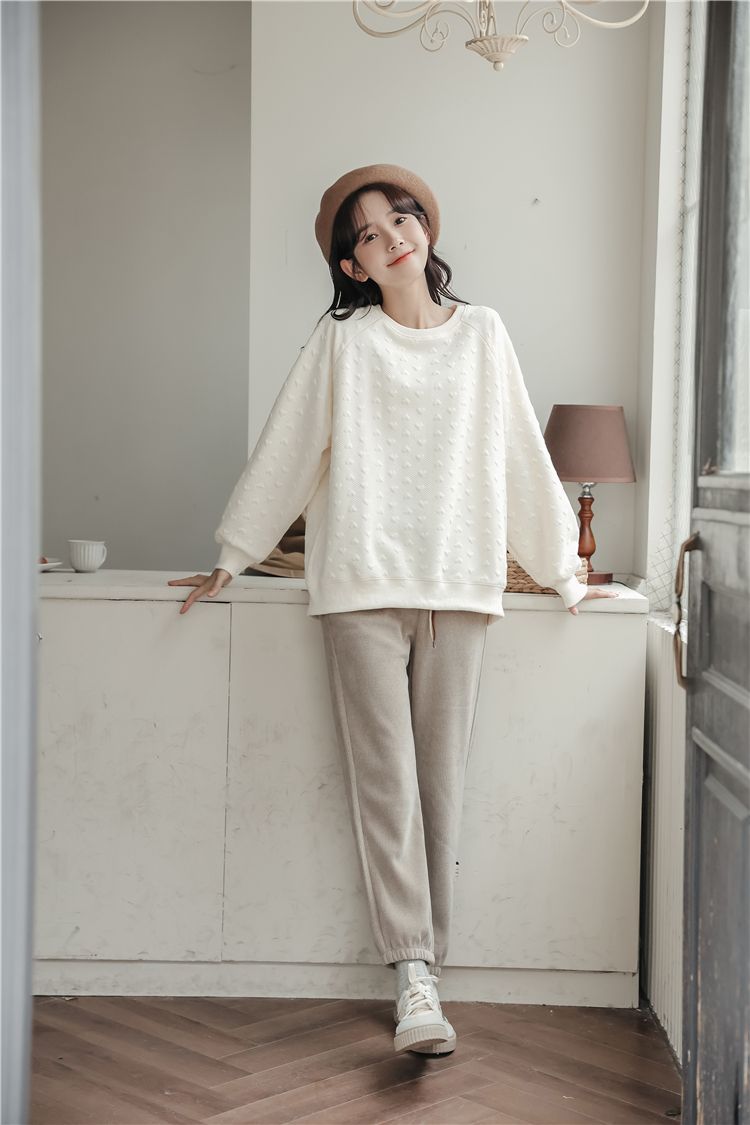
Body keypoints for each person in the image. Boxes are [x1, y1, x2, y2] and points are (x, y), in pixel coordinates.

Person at [168, 163, 619, 1057]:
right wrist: (232, 554)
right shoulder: (344, 342)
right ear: (354, 266)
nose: (392, 237)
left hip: (458, 587)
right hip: (361, 588)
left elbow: (521, 458)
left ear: (426, 229)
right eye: (369, 235)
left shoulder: (483, 335)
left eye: (401, 218)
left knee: (439, 785)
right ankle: (414, 975)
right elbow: (288, 448)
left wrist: (565, 574)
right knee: (386, 786)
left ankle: (427, 971)